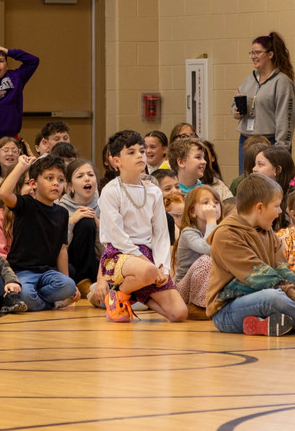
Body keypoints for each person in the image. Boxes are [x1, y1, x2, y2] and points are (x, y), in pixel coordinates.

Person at [207, 174, 295, 336]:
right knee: (272, 298)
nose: (280, 212)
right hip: (228, 311)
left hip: (270, 295)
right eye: (276, 206)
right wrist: (294, 295)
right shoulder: (226, 235)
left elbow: (283, 270)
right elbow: (259, 276)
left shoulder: (268, 232)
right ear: (259, 208)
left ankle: (274, 322)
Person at [97, 130, 186, 323]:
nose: (140, 156)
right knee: (148, 271)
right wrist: (149, 265)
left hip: (149, 258)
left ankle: (134, 294)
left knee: (178, 313)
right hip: (119, 254)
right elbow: (117, 236)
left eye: (142, 151)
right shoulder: (110, 191)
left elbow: (161, 234)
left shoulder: (153, 191)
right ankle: (118, 294)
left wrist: (162, 267)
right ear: (116, 161)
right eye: (131, 152)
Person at [0, 154, 79, 312]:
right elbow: (4, 193)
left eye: (60, 180)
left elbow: (62, 249)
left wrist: (68, 282)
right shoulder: (26, 204)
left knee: (69, 286)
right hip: (21, 271)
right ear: (33, 184)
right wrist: (21, 166)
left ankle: (39, 301)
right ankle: (52, 304)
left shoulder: (62, 213)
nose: (56, 183)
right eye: (49, 178)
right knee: (26, 296)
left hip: (47, 273)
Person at [231, 32, 295, 171]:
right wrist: (236, 112)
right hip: (246, 141)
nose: (253, 56)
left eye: (257, 52)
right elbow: (234, 105)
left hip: (269, 143)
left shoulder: (282, 82)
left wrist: (281, 150)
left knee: (268, 182)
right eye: (252, 52)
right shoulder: (248, 80)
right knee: (246, 180)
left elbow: (285, 118)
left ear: (270, 54)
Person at [57, 159, 102, 297]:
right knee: (85, 222)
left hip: (98, 263)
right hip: (72, 265)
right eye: (80, 176)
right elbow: (60, 249)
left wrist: (98, 225)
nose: (87, 179)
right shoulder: (61, 208)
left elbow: (106, 250)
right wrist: (71, 222)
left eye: (91, 175)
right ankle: (83, 281)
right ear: (70, 186)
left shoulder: (104, 205)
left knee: (89, 222)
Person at [173, 185, 221, 310]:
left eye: (216, 202)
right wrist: (211, 220)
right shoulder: (188, 232)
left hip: (209, 286)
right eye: (206, 202)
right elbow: (208, 248)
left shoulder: (222, 230)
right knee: (206, 260)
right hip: (184, 291)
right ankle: (198, 306)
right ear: (192, 212)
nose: (213, 205)